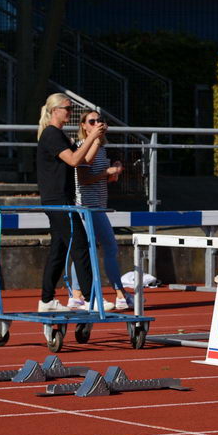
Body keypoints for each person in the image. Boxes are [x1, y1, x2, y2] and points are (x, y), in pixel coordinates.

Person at [35, 93, 104, 313]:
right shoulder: (51, 134)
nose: (70, 112)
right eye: (67, 108)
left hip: (61, 198)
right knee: (80, 245)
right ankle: (89, 299)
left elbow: (84, 160)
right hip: (58, 200)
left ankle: (46, 301)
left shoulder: (60, 135)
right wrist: (91, 137)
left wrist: (96, 139)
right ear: (55, 110)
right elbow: (73, 161)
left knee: (59, 249)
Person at [68, 110, 130, 311]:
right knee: (90, 249)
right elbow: (84, 179)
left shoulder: (101, 148)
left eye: (100, 120)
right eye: (92, 121)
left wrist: (114, 173)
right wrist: (107, 172)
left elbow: (99, 177)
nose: (97, 124)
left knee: (97, 248)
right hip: (85, 206)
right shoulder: (82, 146)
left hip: (98, 205)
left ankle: (113, 293)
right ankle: (80, 294)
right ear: (84, 126)